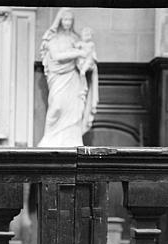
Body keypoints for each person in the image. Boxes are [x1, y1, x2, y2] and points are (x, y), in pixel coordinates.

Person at [38, 8, 99, 147]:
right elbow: (56, 56)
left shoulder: (75, 38)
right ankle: (49, 139)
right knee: (56, 107)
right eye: (64, 19)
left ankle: (72, 141)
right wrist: (78, 53)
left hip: (73, 77)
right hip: (58, 77)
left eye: (69, 20)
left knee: (74, 110)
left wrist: (89, 64)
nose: (67, 22)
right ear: (60, 21)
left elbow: (85, 59)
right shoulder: (53, 38)